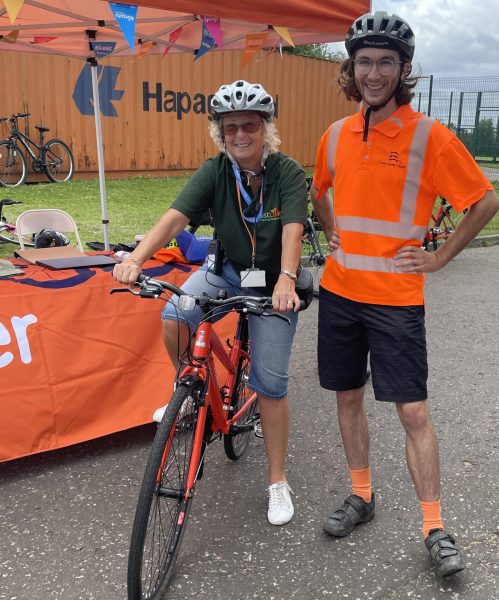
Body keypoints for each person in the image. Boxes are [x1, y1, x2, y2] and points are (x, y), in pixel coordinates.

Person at [310, 12, 499, 577]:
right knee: (347, 398)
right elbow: (318, 188)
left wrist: (439, 257)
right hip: (341, 292)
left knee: (412, 410)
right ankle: (362, 496)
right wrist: (329, 227)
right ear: (352, 67)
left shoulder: (431, 138)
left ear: (403, 69)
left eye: (385, 62)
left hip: (396, 299)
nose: (373, 73)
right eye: (364, 61)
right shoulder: (336, 135)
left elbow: (484, 202)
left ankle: (434, 527)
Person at [112, 79, 307, 527]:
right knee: (176, 313)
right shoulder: (216, 169)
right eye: (231, 126)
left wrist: (288, 280)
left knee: (271, 384)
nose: (241, 134)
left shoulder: (288, 172)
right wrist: (136, 260)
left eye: (250, 125)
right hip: (225, 269)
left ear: (265, 128)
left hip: (275, 278)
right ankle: (188, 388)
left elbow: (293, 228)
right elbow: (176, 217)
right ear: (221, 132)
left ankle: (277, 481)